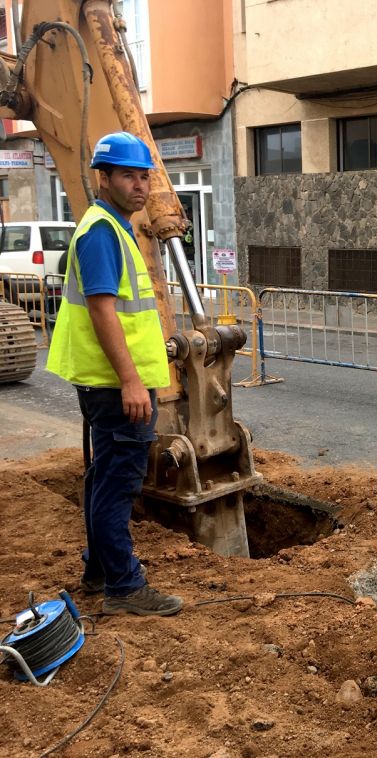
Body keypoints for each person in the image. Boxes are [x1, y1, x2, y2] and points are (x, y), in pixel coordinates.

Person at [47, 132, 183, 616]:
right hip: (114, 384)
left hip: (108, 381)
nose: (141, 186)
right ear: (102, 178)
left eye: (145, 175)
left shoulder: (111, 227)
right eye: (129, 175)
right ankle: (124, 588)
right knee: (119, 483)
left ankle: (99, 568)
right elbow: (105, 311)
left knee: (104, 477)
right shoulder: (102, 231)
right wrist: (130, 380)